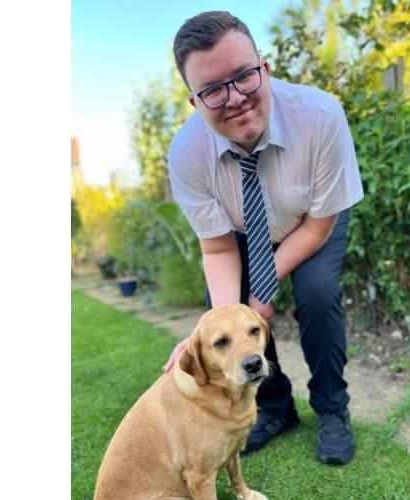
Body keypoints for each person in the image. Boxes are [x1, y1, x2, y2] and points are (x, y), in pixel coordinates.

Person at [162, 10, 364, 466]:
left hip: (314, 220)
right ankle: (274, 408)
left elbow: (317, 226)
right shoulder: (187, 154)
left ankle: (332, 408)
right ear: (194, 102)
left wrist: (263, 287)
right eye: (213, 89)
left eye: (244, 76)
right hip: (240, 231)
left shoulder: (321, 116)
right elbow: (216, 247)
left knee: (316, 292)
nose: (235, 98)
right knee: (234, 308)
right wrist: (225, 320)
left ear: (265, 68)